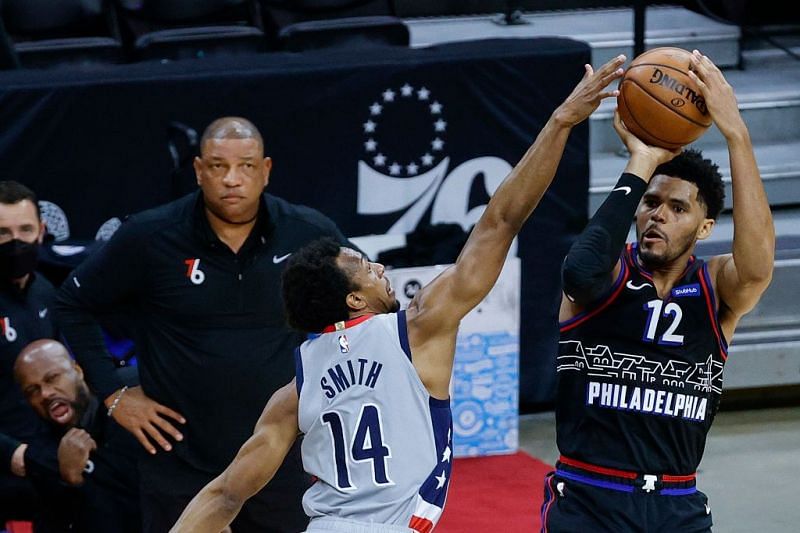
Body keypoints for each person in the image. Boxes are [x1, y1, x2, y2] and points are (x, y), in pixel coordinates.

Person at [170, 54, 629, 533]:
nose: (381, 267)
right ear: (353, 299)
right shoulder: (417, 327)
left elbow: (225, 493)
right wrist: (561, 121)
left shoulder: (296, 388)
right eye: (365, 267)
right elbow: (501, 220)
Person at [53, 116, 355, 533]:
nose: (232, 179)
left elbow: (366, 304)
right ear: (198, 171)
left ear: (265, 170)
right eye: (217, 166)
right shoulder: (149, 235)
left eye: (246, 166)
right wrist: (113, 392)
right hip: (178, 456)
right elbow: (71, 302)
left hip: (280, 450)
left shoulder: (307, 232)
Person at [543, 50, 775, 532]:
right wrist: (642, 160)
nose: (657, 215)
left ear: (705, 226)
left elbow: (756, 268)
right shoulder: (606, 273)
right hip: (591, 496)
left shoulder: (715, 287)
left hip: (678, 503)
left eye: (677, 208)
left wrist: (737, 132)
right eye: (650, 202)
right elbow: (578, 274)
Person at [13, 339, 141, 533]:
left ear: (78, 371)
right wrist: (71, 482)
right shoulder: (42, 457)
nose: (45, 394)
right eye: (33, 391)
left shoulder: (129, 395)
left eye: (52, 378)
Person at [0, 180, 58, 528]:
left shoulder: (47, 293)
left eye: (25, 230)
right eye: (3, 233)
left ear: (42, 231)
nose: (16, 242)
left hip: (46, 459)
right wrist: (10, 453)